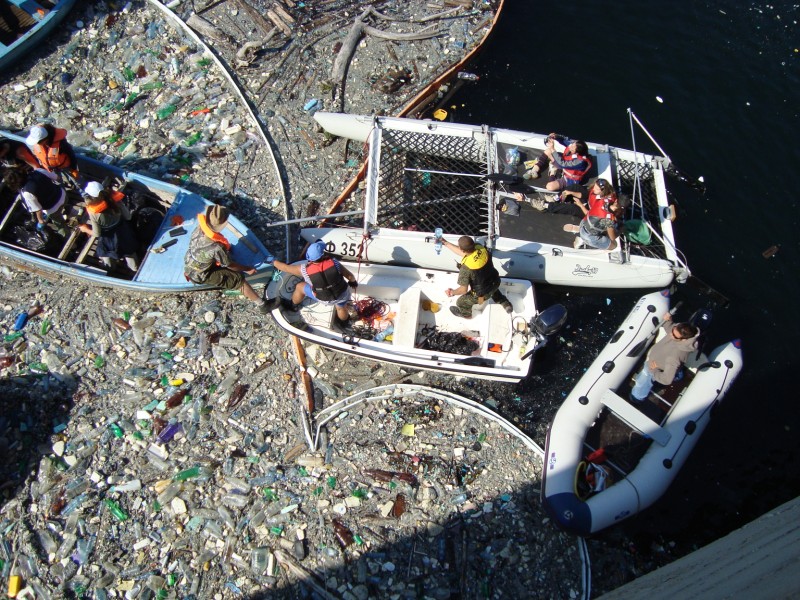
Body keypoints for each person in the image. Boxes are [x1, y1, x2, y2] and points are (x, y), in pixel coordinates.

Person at [184, 204, 271, 313]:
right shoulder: (216, 247)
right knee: (237, 279)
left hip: (190, 261)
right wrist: (247, 269)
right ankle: (262, 305)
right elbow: (230, 265)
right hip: (201, 274)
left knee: (221, 260)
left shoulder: (199, 228)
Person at [270, 240, 358, 323]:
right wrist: (353, 282)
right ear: (323, 254)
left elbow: (286, 268)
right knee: (341, 308)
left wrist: (273, 262)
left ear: (309, 258)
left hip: (324, 299)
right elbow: (350, 277)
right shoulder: (335, 263)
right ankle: (344, 321)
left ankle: (293, 305)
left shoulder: (304, 270)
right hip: (341, 294)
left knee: (300, 287)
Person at [440, 235, 513, 318]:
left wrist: (452, 292)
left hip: (482, 294)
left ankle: (467, 315)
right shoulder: (480, 247)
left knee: (460, 302)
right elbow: (464, 252)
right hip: (495, 281)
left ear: (462, 249)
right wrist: (446, 243)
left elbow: (463, 290)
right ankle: (505, 304)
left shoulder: (466, 268)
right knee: (492, 289)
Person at [630, 314, 699, 402]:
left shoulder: (675, 357)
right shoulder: (680, 334)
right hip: (654, 362)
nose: (670, 334)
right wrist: (668, 321)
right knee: (642, 378)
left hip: (653, 369)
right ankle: (677, 375)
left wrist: (654, 371)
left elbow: (666, 380)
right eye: (673, 330)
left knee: (641, 384)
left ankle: (638, 397)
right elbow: (671, 329)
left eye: (674, 335)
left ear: (683, 340)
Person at [78, 181, 139, 273]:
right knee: (129, 251)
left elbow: (97, 234)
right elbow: (128, 217)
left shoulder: (93, 212)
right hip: (123, 232)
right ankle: (135, 269)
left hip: (109, 239)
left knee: (105, 253)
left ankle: (110, 269)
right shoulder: (115, 200)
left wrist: (85, 229)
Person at [563, 179, 629, 250]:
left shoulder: (602, 201)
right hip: (588, 236)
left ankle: (579, 229)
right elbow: (612, 237)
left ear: (616, 201)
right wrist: (622, 229)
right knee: (614, 245)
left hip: (584, 223)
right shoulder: (609, 220)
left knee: (602, 225)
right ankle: (582, 240)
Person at [3, 168, 67, 233]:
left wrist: (40, 221)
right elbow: (57, 178)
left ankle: (67, 235)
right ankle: (67, 209)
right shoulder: (38, 171)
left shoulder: (27, 193)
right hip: (62, 195)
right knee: (63, 205)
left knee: (60, 225)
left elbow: (38, 210)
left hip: (53, 209)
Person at [523, 133, 592, 192]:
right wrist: (556, 136)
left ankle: (552, 173)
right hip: (564, 166)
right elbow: (564, 140)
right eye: (573, 144)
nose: (571, 146)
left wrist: (553, 149)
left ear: (577, 153)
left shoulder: (580, 162)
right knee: (548, 151)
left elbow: (562, 164)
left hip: (569, 178)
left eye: (573, 148)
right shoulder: (573, 146)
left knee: (549, 187)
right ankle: (534, 170)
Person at [513, 182, 588, 216]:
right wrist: (571, 192)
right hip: (587, 200)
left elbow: (589, 215)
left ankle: (545, 206)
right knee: (575, 187)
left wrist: (581, 205)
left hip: (587, 211)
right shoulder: (594, 194)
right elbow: (584, 195)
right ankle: (555, 199)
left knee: (572, 208)